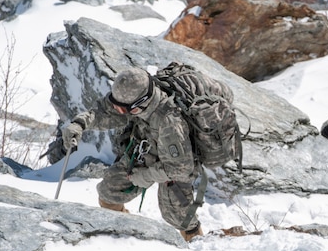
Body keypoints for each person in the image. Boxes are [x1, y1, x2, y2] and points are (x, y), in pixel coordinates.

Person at [61, 67, 234, 242]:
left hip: (176, 162)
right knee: (109, 192)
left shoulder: (169, 123)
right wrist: (80, 123)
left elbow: (182, 169)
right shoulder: (132, 97)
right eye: (118, 107)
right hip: (147, 148)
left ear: (139, 105)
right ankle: (123, 236)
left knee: (178, 217)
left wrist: (144, 176)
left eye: (124, 110)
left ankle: (196, 243)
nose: (120, 112)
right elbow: (106, 110)